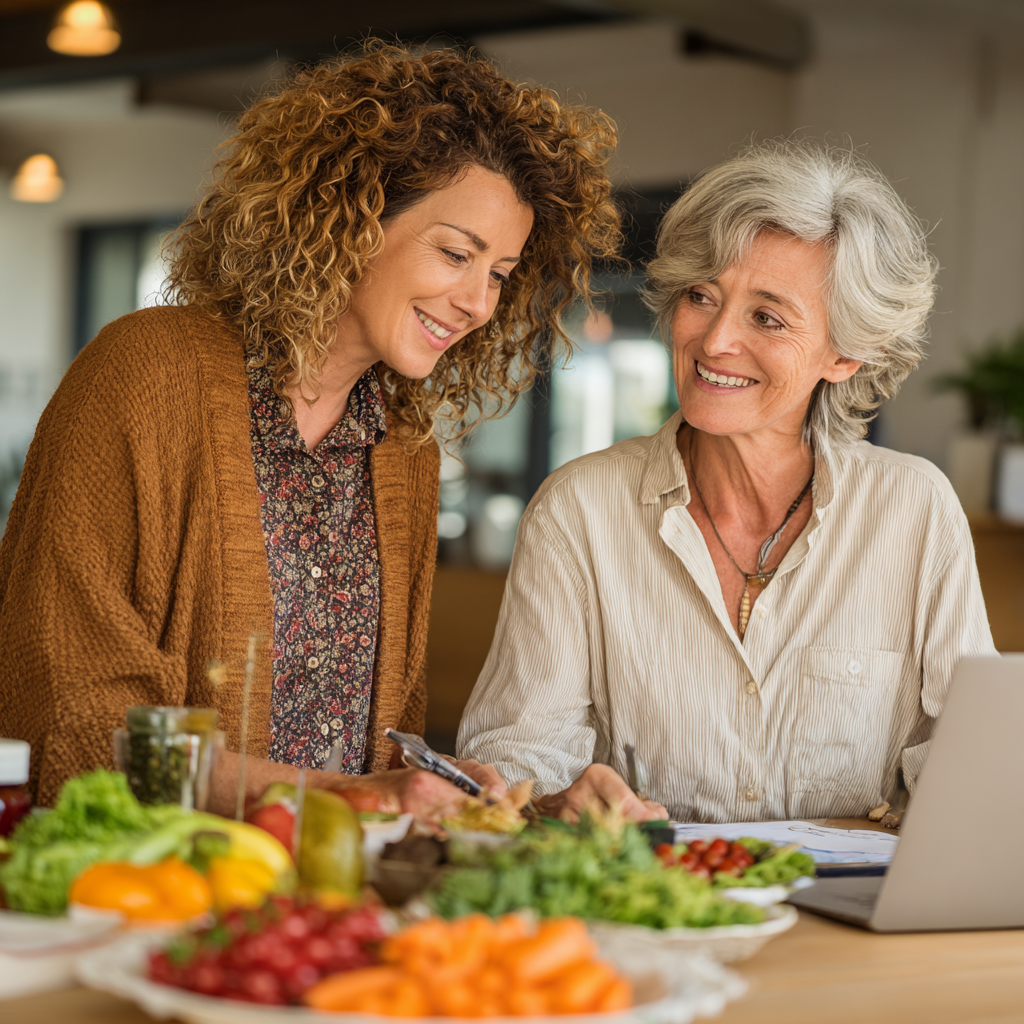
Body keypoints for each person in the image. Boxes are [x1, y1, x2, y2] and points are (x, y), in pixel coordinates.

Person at [0, 43, 621, 812]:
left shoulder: (403, 447)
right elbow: (71, 711)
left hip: (324, 906)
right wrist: (335, 794)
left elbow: (392, 744)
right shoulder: (144, 374)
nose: (478, 303)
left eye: (498, 273)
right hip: (147, 893)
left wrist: (507, 810)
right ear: (350, 219)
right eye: (456, 253)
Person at [458, 139, 998, 824]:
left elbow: (973, 764)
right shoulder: (580, 510)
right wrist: (559, 803)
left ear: (845, 352)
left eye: (766, 318)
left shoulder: (913, 510)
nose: (713, 342)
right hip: (656, 914)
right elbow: (512, 759)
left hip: (851, 921)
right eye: (701, 296)